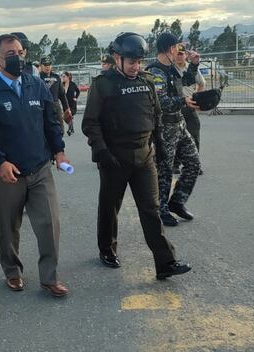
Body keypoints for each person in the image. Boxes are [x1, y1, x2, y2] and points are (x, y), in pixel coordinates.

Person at [82, 32, 191, 279]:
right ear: (117, 58)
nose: (136, 66)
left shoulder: (147, 81)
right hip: (114, 158)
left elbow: (156, 115)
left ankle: (165, 263)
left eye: (139, 62)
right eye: (131, 62)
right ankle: (107, 249)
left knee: (151, 210)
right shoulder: (103, 84)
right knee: (110, 207)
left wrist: (161, 146)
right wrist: (100, 150)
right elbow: (90, 123)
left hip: (144, 157)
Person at [0, 34, 70, 297]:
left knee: (50, 224)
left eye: (20, 52)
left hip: (40, 169)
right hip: (8, 175)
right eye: (10, 54)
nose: (18, 58)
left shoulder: (36, 84)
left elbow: (51, 121)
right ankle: (12, 272)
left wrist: (59, 151)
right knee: (8, 228)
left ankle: (50, 277)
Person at [146, 32, 202, 227]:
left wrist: (194, 64)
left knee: (193, 163)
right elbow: (161, 102)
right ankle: (161, 211)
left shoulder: (171, 69)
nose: (180, 51)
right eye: (177, 47)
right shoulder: (155, 72)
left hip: (179, 125)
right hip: (165, 128)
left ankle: (177, 201)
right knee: (165, 171)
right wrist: (184, 101)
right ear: (171, 49)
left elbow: (186, 81)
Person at [173, 43, 205, 175]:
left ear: (186, 55)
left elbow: (201, 84)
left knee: (194, 134)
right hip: (175, 106)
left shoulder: (191, 69)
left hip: (189, 106)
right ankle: (175, 164)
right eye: (177, 54)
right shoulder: (171, 69)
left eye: (182, 54)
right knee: (174, 136)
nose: (179, 56)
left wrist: (198, 100)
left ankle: (194, 164)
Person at [38, 56, 72, 134]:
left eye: (49, 65)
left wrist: (66, 109)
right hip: (43, 107)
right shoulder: (37, 78)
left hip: (55, 106)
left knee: (60, 131)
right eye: (45, 65)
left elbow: (62, 95)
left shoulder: (56, 77)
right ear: (41, 66)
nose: (47, 67)